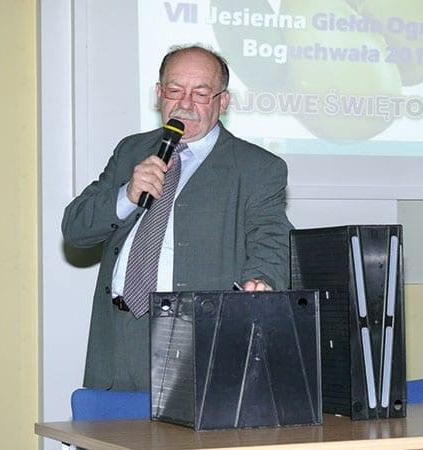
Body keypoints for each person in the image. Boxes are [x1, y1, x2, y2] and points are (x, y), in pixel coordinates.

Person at [61, 44, 293, 391]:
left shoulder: (256, 167)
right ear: (159, 94)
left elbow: (272, 237)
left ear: (223, 102)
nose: (185, 103)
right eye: (174, 90)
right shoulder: (131, 150)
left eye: (200, 93)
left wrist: (261, 280)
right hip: (115, 339)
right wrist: (126, 195)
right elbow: (75, 228)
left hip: (195, 341)